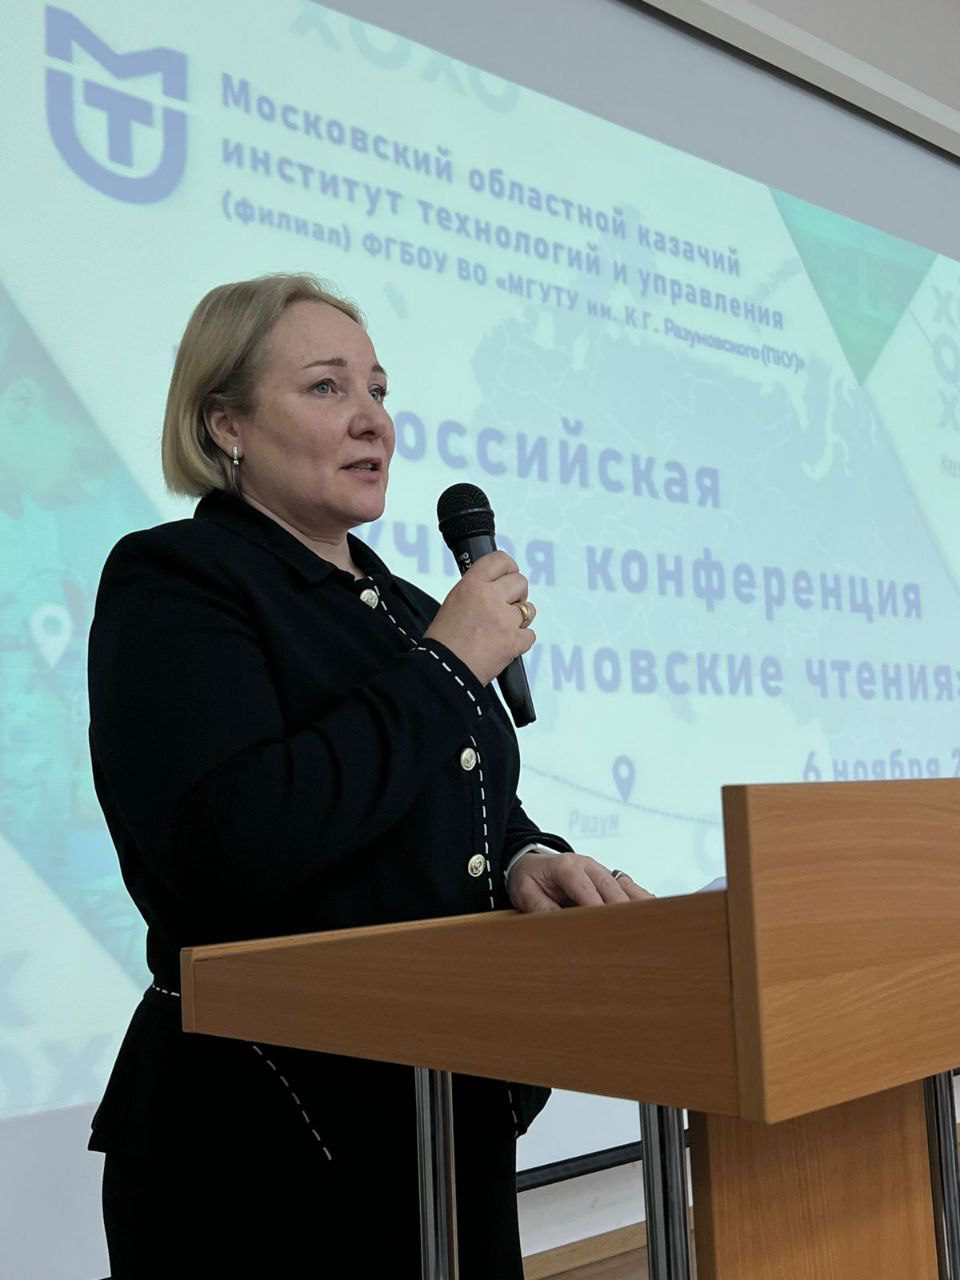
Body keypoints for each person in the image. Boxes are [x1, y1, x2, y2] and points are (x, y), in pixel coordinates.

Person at [87, 273, 650, 1277]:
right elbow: (232, 839)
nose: (373, 421)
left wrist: (526, 859)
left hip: (441, 1117)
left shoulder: (410, 610)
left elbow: (465, 806)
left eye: (380, 390)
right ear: (225, 423)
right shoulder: (178, 579)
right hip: (262, 1147)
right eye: (326, 387)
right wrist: (446, 665)